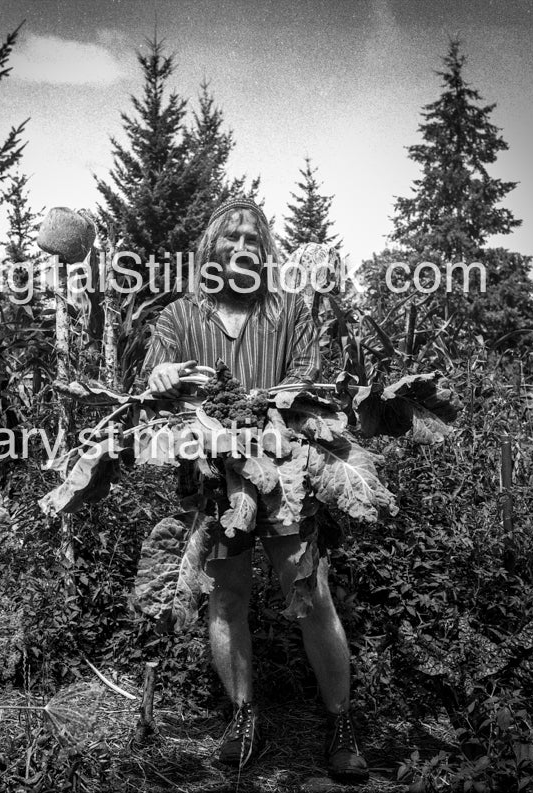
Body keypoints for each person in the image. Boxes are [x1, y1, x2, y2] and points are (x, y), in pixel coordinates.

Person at [142, 197, 368, 782]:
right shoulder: (179, 317)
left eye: (252, 239)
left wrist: (263, 416)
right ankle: (243, 715)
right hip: (216, 483)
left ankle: (341, 722)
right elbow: (154, 380)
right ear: (210, 249)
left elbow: (308, 384)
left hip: (282, 477)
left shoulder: (287, 312)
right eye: (230, 238)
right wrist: (163, 378)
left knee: (310, 594)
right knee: (227, 599)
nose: (241, 247)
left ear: (265, 252)